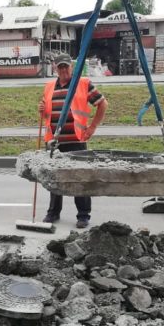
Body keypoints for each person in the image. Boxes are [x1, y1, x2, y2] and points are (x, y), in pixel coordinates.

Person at [39, 54, 108, 229]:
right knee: (54, 177)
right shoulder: (48, 86)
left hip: (76, 139)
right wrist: (42, 111)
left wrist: (92, 127)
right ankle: (53, 212)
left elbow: (102, 104)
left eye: (66, 67)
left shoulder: (83, 83)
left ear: (71, 67)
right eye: (60, 67)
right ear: (55, 68)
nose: (63, 70)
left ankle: (83, 215)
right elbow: (47, 114)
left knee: (79, 177)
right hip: (54, 142)